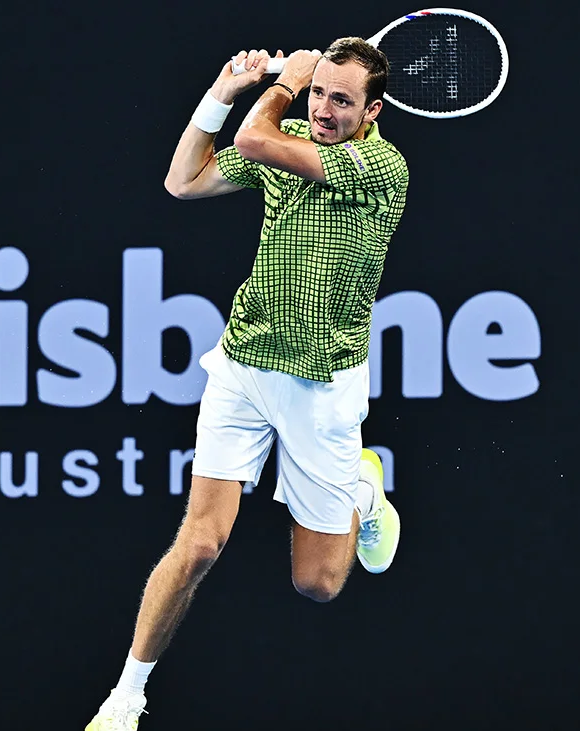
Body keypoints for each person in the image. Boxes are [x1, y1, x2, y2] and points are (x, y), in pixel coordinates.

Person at [86, 38, 409, 731]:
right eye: (319, 92)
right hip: (243, 365)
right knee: (200, 542)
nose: (323, 109)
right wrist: (220, 93)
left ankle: (363, 488)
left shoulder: (379, 164)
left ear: (372, 110)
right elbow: (184, 180)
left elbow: (260, 141)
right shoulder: (283, 131)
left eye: (341, 100)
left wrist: (284, 84)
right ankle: (125, 700)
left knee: (317, 583)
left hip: (324, 385)